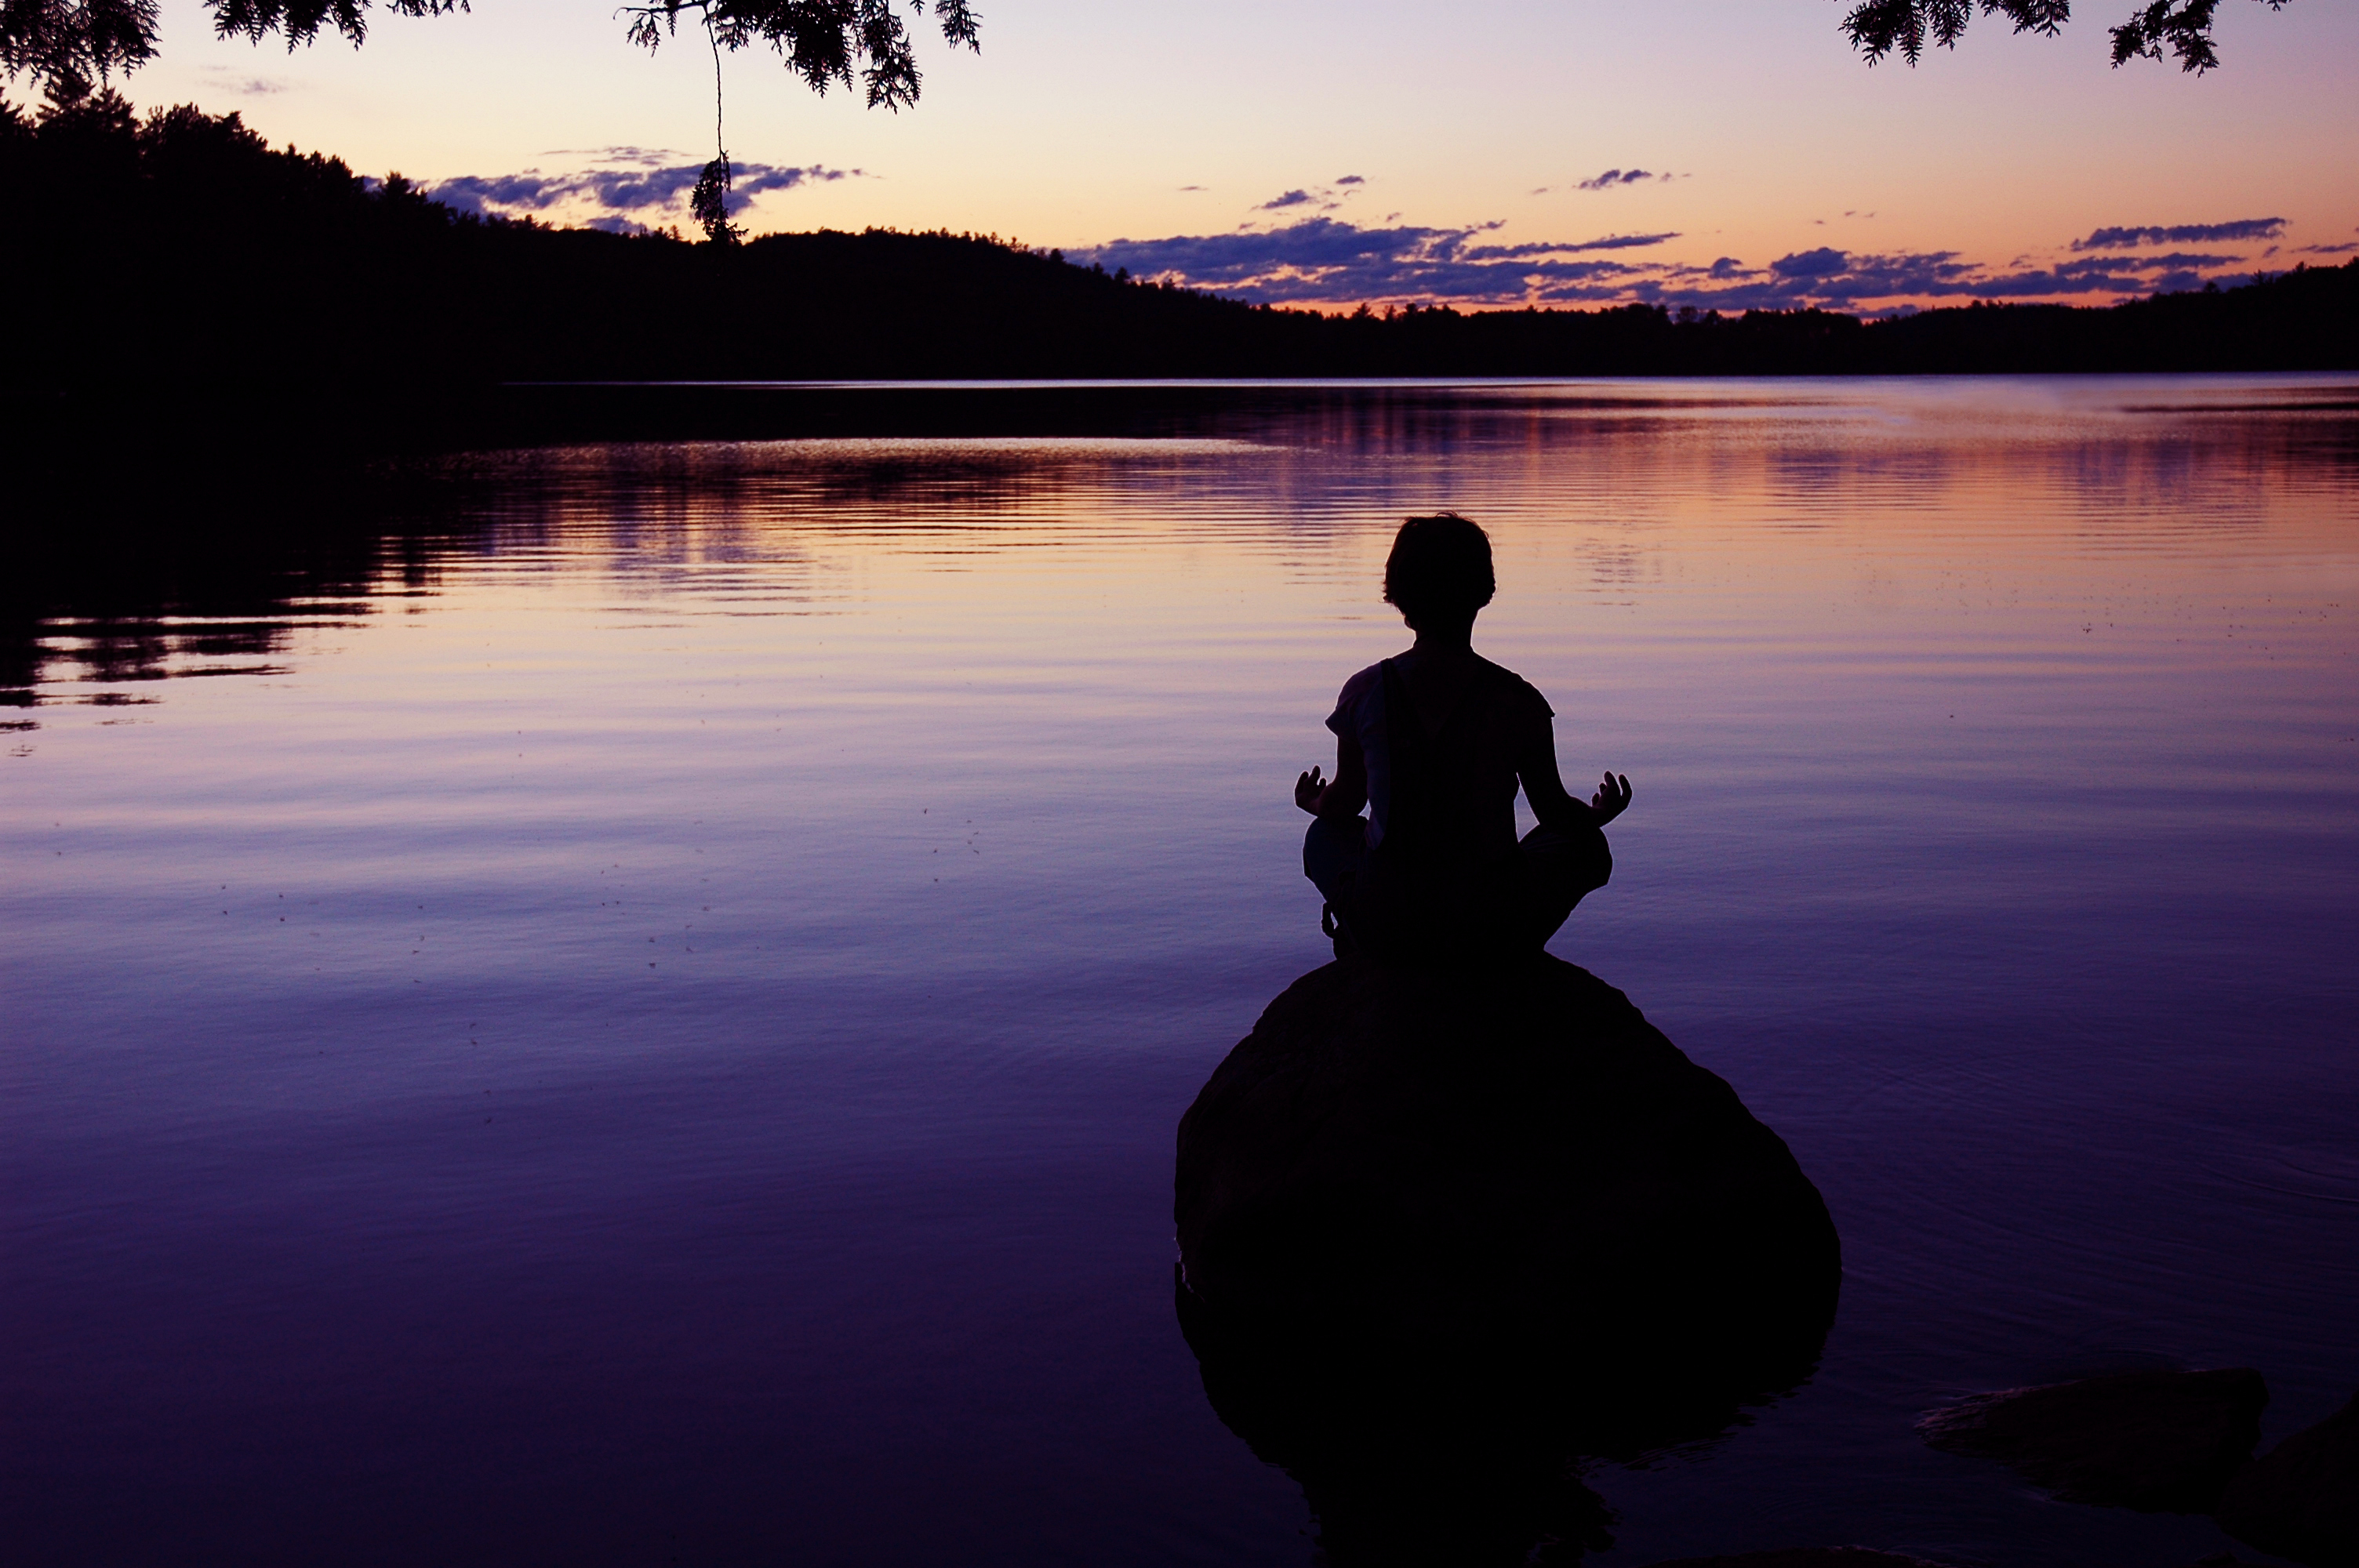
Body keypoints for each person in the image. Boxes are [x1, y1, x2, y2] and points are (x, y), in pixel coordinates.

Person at [1295, 513, 1631, 966]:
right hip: (1489, 925)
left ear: (1400, 599)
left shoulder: (1365, 691)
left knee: (1323, 837)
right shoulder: (1519, 700)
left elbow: (1343, 806)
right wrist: (1599, 814)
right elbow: (1554, 813)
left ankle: (1366, 938)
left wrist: (1314, 802)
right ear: (1483, 594)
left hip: (1390, 924)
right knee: (1586, 846)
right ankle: (1507, 952)